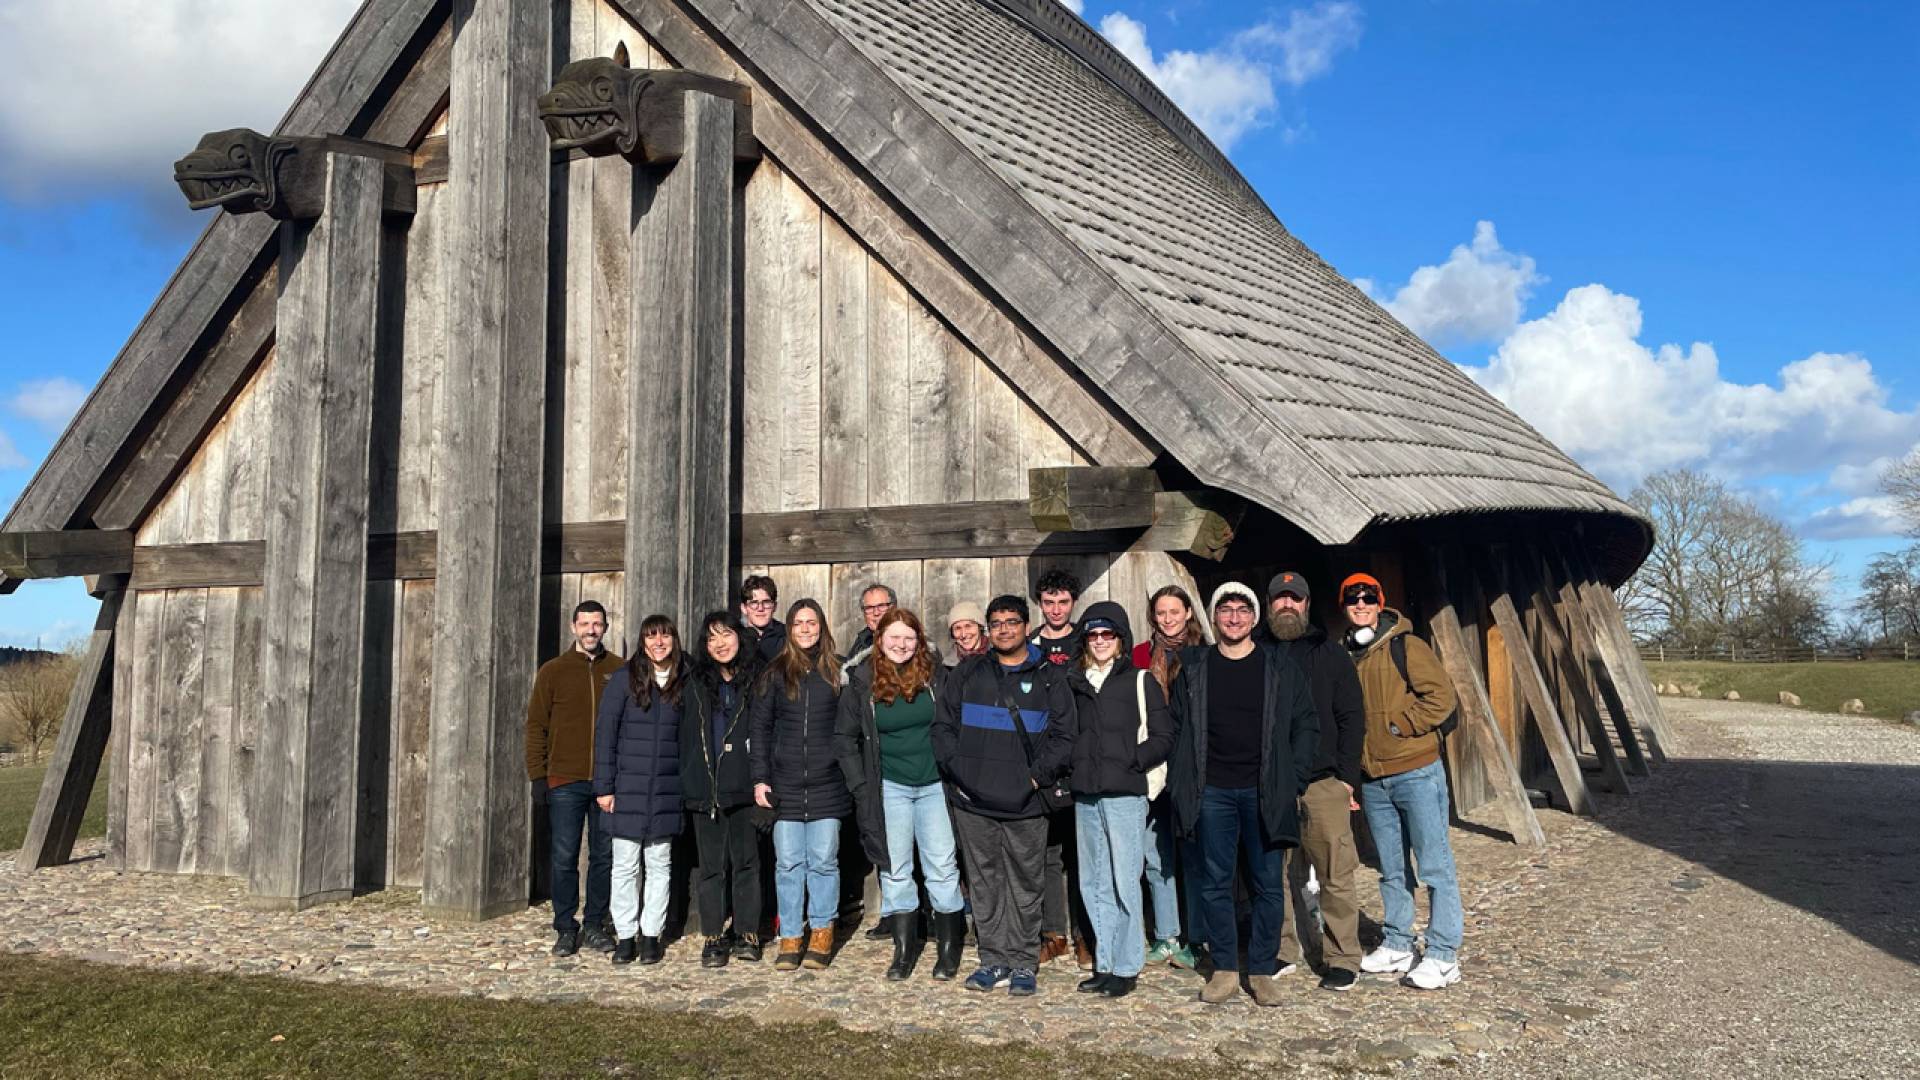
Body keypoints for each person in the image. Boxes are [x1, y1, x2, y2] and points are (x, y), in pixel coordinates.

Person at [1167, 582, 1319, 1007]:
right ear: (1214, 617)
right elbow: (1177, 729)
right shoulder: (1195, 669)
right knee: (1215, 883)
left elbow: (1306, 724)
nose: (1234, 617)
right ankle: (1225, 970)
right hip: (1211, 790)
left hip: (1264, 791)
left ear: (1254, 617)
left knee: (1268, 884)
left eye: (1242, 609)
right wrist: (1182, 783)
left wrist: (1294, 779)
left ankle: (1261, 969)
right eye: (1225, 609)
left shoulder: (1278, 666)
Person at [933, 594, 1075, 996]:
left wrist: (1035, 779)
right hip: (972, 802)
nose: (1004, 629)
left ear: (1026, 626)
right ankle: (993, 960)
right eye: (996, 623)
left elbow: (1064, 738)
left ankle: (1024, 962)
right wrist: (959, 775)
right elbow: (942, 730)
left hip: (1027, 803)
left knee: (1026, 883)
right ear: (987, 630)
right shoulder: (968, 674)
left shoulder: (1050, 676)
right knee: (984, 883)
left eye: (1012, 622)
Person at [1340, 573, 1464, 991]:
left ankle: (1444, 954)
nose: (1360, 603)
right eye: (1353, 598)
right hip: (1374, 780)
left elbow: (1442, 697)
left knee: (1434, 865)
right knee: (1391, 869)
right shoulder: (1348, 654)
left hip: (1416, 771)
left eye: (1367, 597)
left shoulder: (1405, 646)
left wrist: (1400, 725)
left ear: (1380, 602)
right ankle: (1397, 942)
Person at [836, 608, 967, 982]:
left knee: (942, 866)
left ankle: (948, 948)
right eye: (894, 637)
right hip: (888, 787)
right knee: (895, 869)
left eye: (909, 638)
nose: (901, 644)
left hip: (932, 786)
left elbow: (955, 726)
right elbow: (843, 739)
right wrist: (861, 785)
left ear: (919, 641)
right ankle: (905, 949)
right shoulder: (862, 681)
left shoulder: (936, 677)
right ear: (880, 639)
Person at [1065, 601, 1173, 999]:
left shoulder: (1139, 681)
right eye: (1092, 635)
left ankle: (1127, 966)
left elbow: (1164, 737)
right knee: (1092, 881)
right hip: (1087, 795)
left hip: (1125, 794)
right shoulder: (1075, 682)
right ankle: (1105, 962)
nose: (1099, 642)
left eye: (1107, 634)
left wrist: (1133, 761)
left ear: (1121, 639)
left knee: (1125, 879)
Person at [1265, 572, 1366, 992]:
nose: (1288, 606)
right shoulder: (1258, 653)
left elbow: (1351, 717)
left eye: (1295, 599)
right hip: (1272, 783)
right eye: (1280, 600)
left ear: (1307, 604)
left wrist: (1346, 778)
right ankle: (1284, 950)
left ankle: (1342, 957)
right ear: (1270, 605)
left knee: (1334, 873)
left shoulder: (1331, 654)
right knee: (1277, 873)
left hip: (1323, 783)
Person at [750, 599, 851, 971]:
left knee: (824, 862)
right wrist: (760, 779)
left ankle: (822, 931)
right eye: (798, 624)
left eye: (812, 623)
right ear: (789, 630)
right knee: (789, 863)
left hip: (827, 782)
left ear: (822, 627)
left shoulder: (838, 672)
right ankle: (791, 934)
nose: (806, 629)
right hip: (786, 784)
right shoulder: (775, 673)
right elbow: (759, 730)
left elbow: (850, 727)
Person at [525, 600, 623, 957]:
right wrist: (538, 776)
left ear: (606, 628)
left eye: (597, 624)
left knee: (604, 855)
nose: (591, 630)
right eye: (585, 624)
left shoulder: (620, 670)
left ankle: (596, 923)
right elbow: (536, 725)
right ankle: (566, 926)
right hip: (564, 779)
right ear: (573, 627)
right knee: (564, 856)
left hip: (606, 782)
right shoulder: (553, 671)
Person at [593, 614, 686, 966]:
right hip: (627, 787)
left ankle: (651, 935)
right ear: (642, 642)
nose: (658, 643)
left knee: (660, 864)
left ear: (673, 641)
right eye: (651, 637)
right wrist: (604, 786)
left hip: (666, 788)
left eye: (664, 636)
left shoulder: (682, 681)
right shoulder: (623, 680)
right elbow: (605, 735)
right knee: (625, 866)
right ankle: (626, 934)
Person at [682, 610, 765, 968]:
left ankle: (747, 932)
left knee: (747, 863)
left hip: (745, 787)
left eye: (726, 634)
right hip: (707, 788)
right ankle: (714, 934)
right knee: (712, 867)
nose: (720, 643)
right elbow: (685, 736)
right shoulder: (696, 683)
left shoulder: (757, 679)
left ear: (739, 638)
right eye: (712, 637)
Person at [1134, 585, 1207, 970]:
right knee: (1156, 854)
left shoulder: (1203, 654)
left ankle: (1197, 936)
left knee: (1194, 854)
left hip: (1191, 763)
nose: (1167, 619)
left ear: (1187, 613)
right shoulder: (1140, 656)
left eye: (1173, 612)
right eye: (1160, 613)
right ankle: (1166, 933)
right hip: (1153, 764)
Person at [1028, 568, 1091, 966]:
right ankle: (1054, 932)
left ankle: (1086, 933)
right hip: (1044, 759)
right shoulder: (1030, 646)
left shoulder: (1087, 642)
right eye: (1049, 602)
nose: (1055, 609)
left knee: (1081, 852)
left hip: (1082, 755)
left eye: (1063, 602)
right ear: (1040, 603)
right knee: (1048, 853)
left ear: (1073, 603)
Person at [841, 583, 897, 677]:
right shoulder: (861, 643)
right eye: (869, 608)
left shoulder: (909, 643)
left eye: (881, 606)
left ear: (893, 607)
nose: (876, 613)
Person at [739, 575, 786, 662]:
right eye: (754, 603)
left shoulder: (788, 636)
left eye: (766, 602)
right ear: (744, 608)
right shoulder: (736, 638)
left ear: (774, 606)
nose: (760, 608)